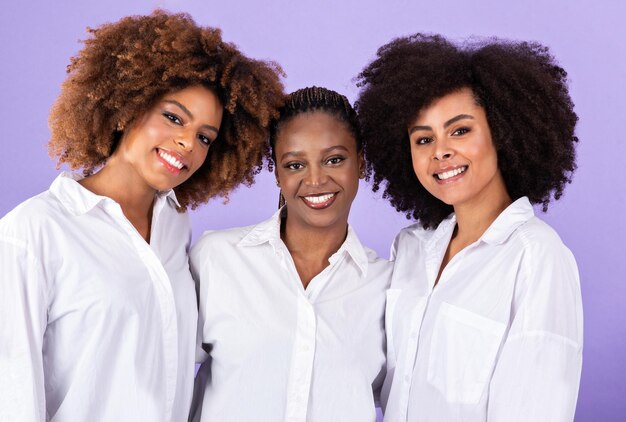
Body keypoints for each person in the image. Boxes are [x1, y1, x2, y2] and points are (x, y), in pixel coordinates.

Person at [0, 10, 283, 421]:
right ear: (128, 104)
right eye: (173, 117)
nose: (188, 142)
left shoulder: (173, 228)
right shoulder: (32, 233)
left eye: (205, 137)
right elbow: (11, 395)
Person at [355, 34, 582, 421]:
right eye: (423, 138)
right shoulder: (410, 247)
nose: (440, 151)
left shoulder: (536, 257)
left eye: (460, 130)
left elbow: (535, 407)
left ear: (503, 131)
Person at [189, 87, 392, 421]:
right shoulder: (217, 259)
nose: (315, 180)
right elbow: (164, 372)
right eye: (295, 164)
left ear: (361, 165)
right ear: (278, 175)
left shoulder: (387, 285)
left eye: (334, 159)